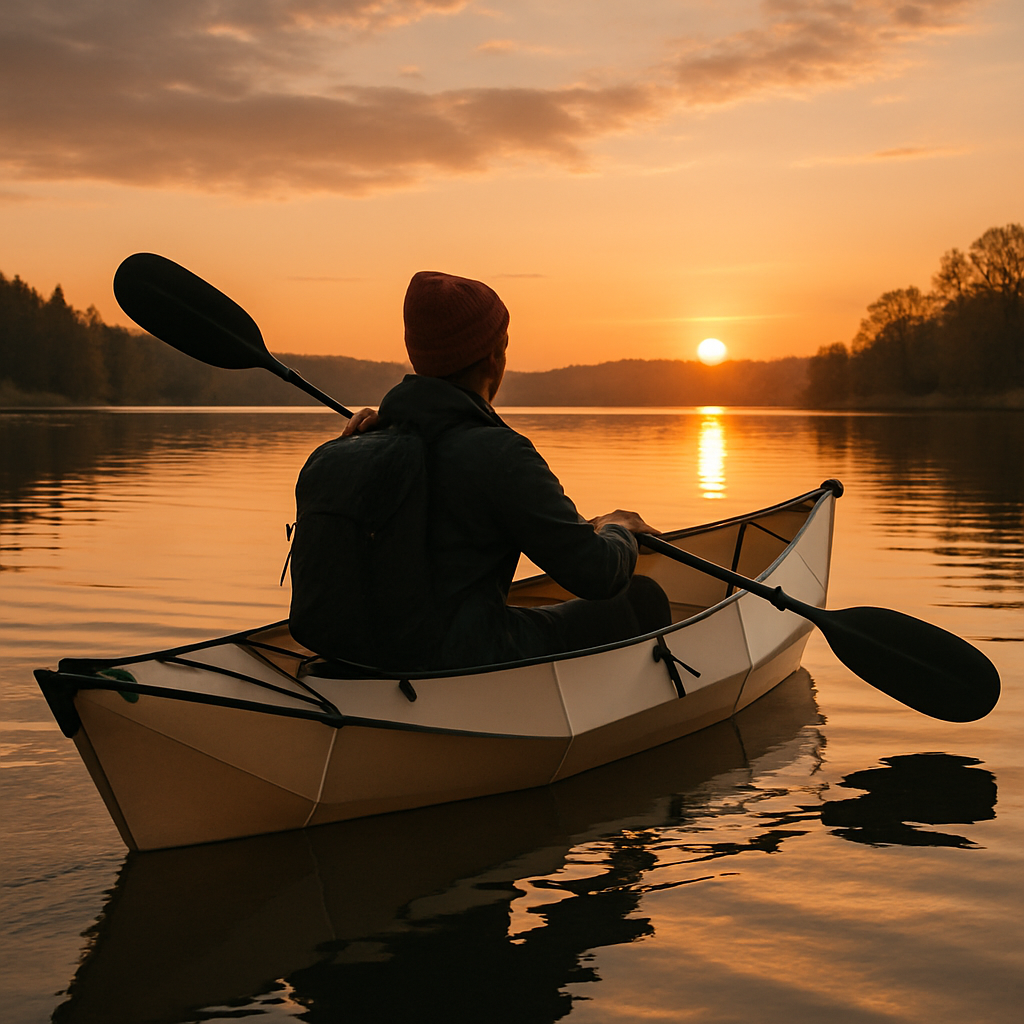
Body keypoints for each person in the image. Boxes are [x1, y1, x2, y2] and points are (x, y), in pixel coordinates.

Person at [323, 270, 671, 669]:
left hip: (360, 652)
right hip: (459, 659)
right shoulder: (501, 454)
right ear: (495, 355)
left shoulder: (352, 445)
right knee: (641, 596)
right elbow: (597, 574)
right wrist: (618, 530)